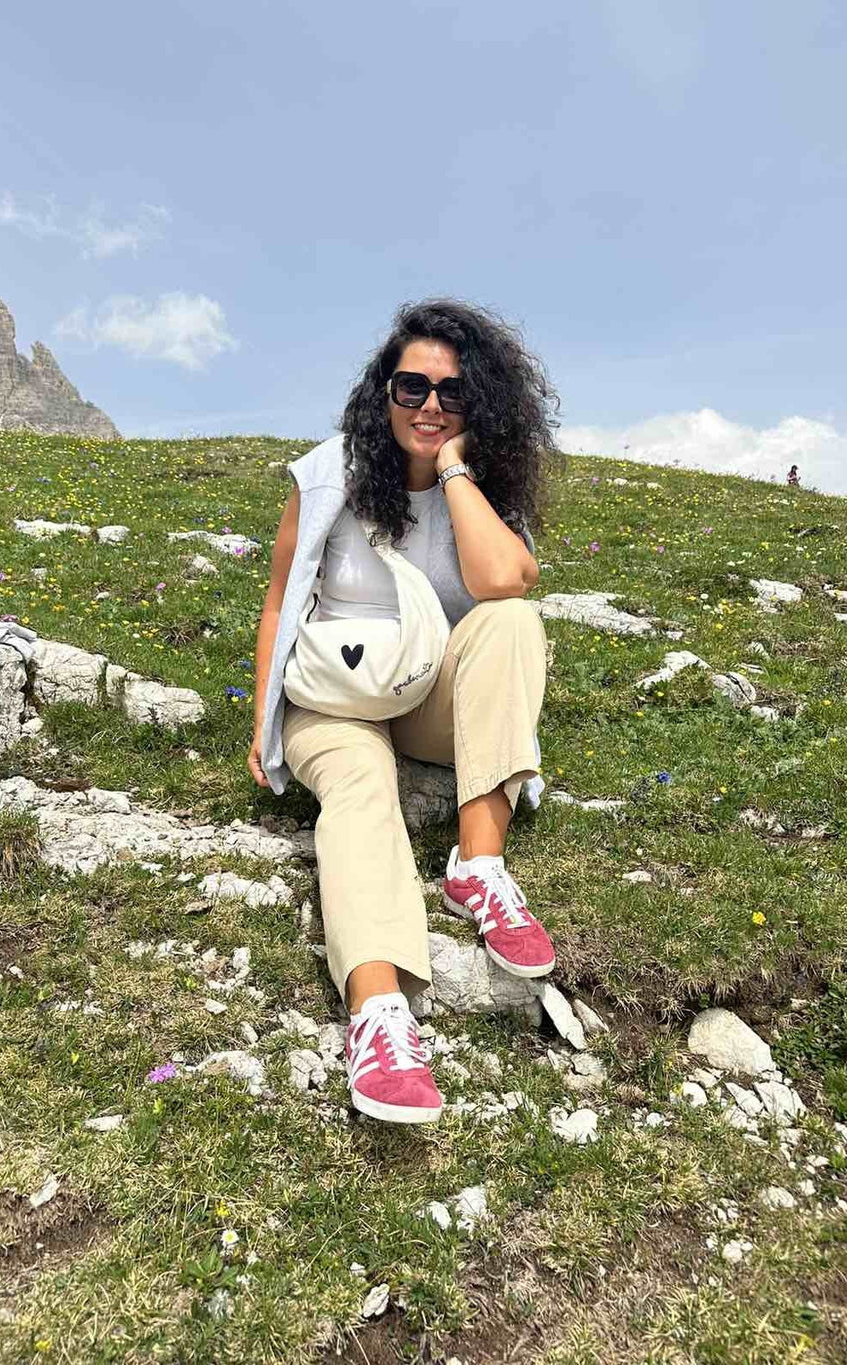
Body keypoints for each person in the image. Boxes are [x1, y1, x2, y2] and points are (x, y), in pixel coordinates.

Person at [248, 299, 557, 1125]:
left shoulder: (482, 492)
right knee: (359, 789)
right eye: (411, 386)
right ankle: (380, 1013)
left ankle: (477, 868)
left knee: (513, 623)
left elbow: (506, 583)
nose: (428, 405)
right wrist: (261, 719)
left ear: (477, 407)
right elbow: (278, 603)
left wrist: (455, 470)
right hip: (336, 704)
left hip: (422, 693)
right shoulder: (327, 479)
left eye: (452, 395)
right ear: (381, 393)